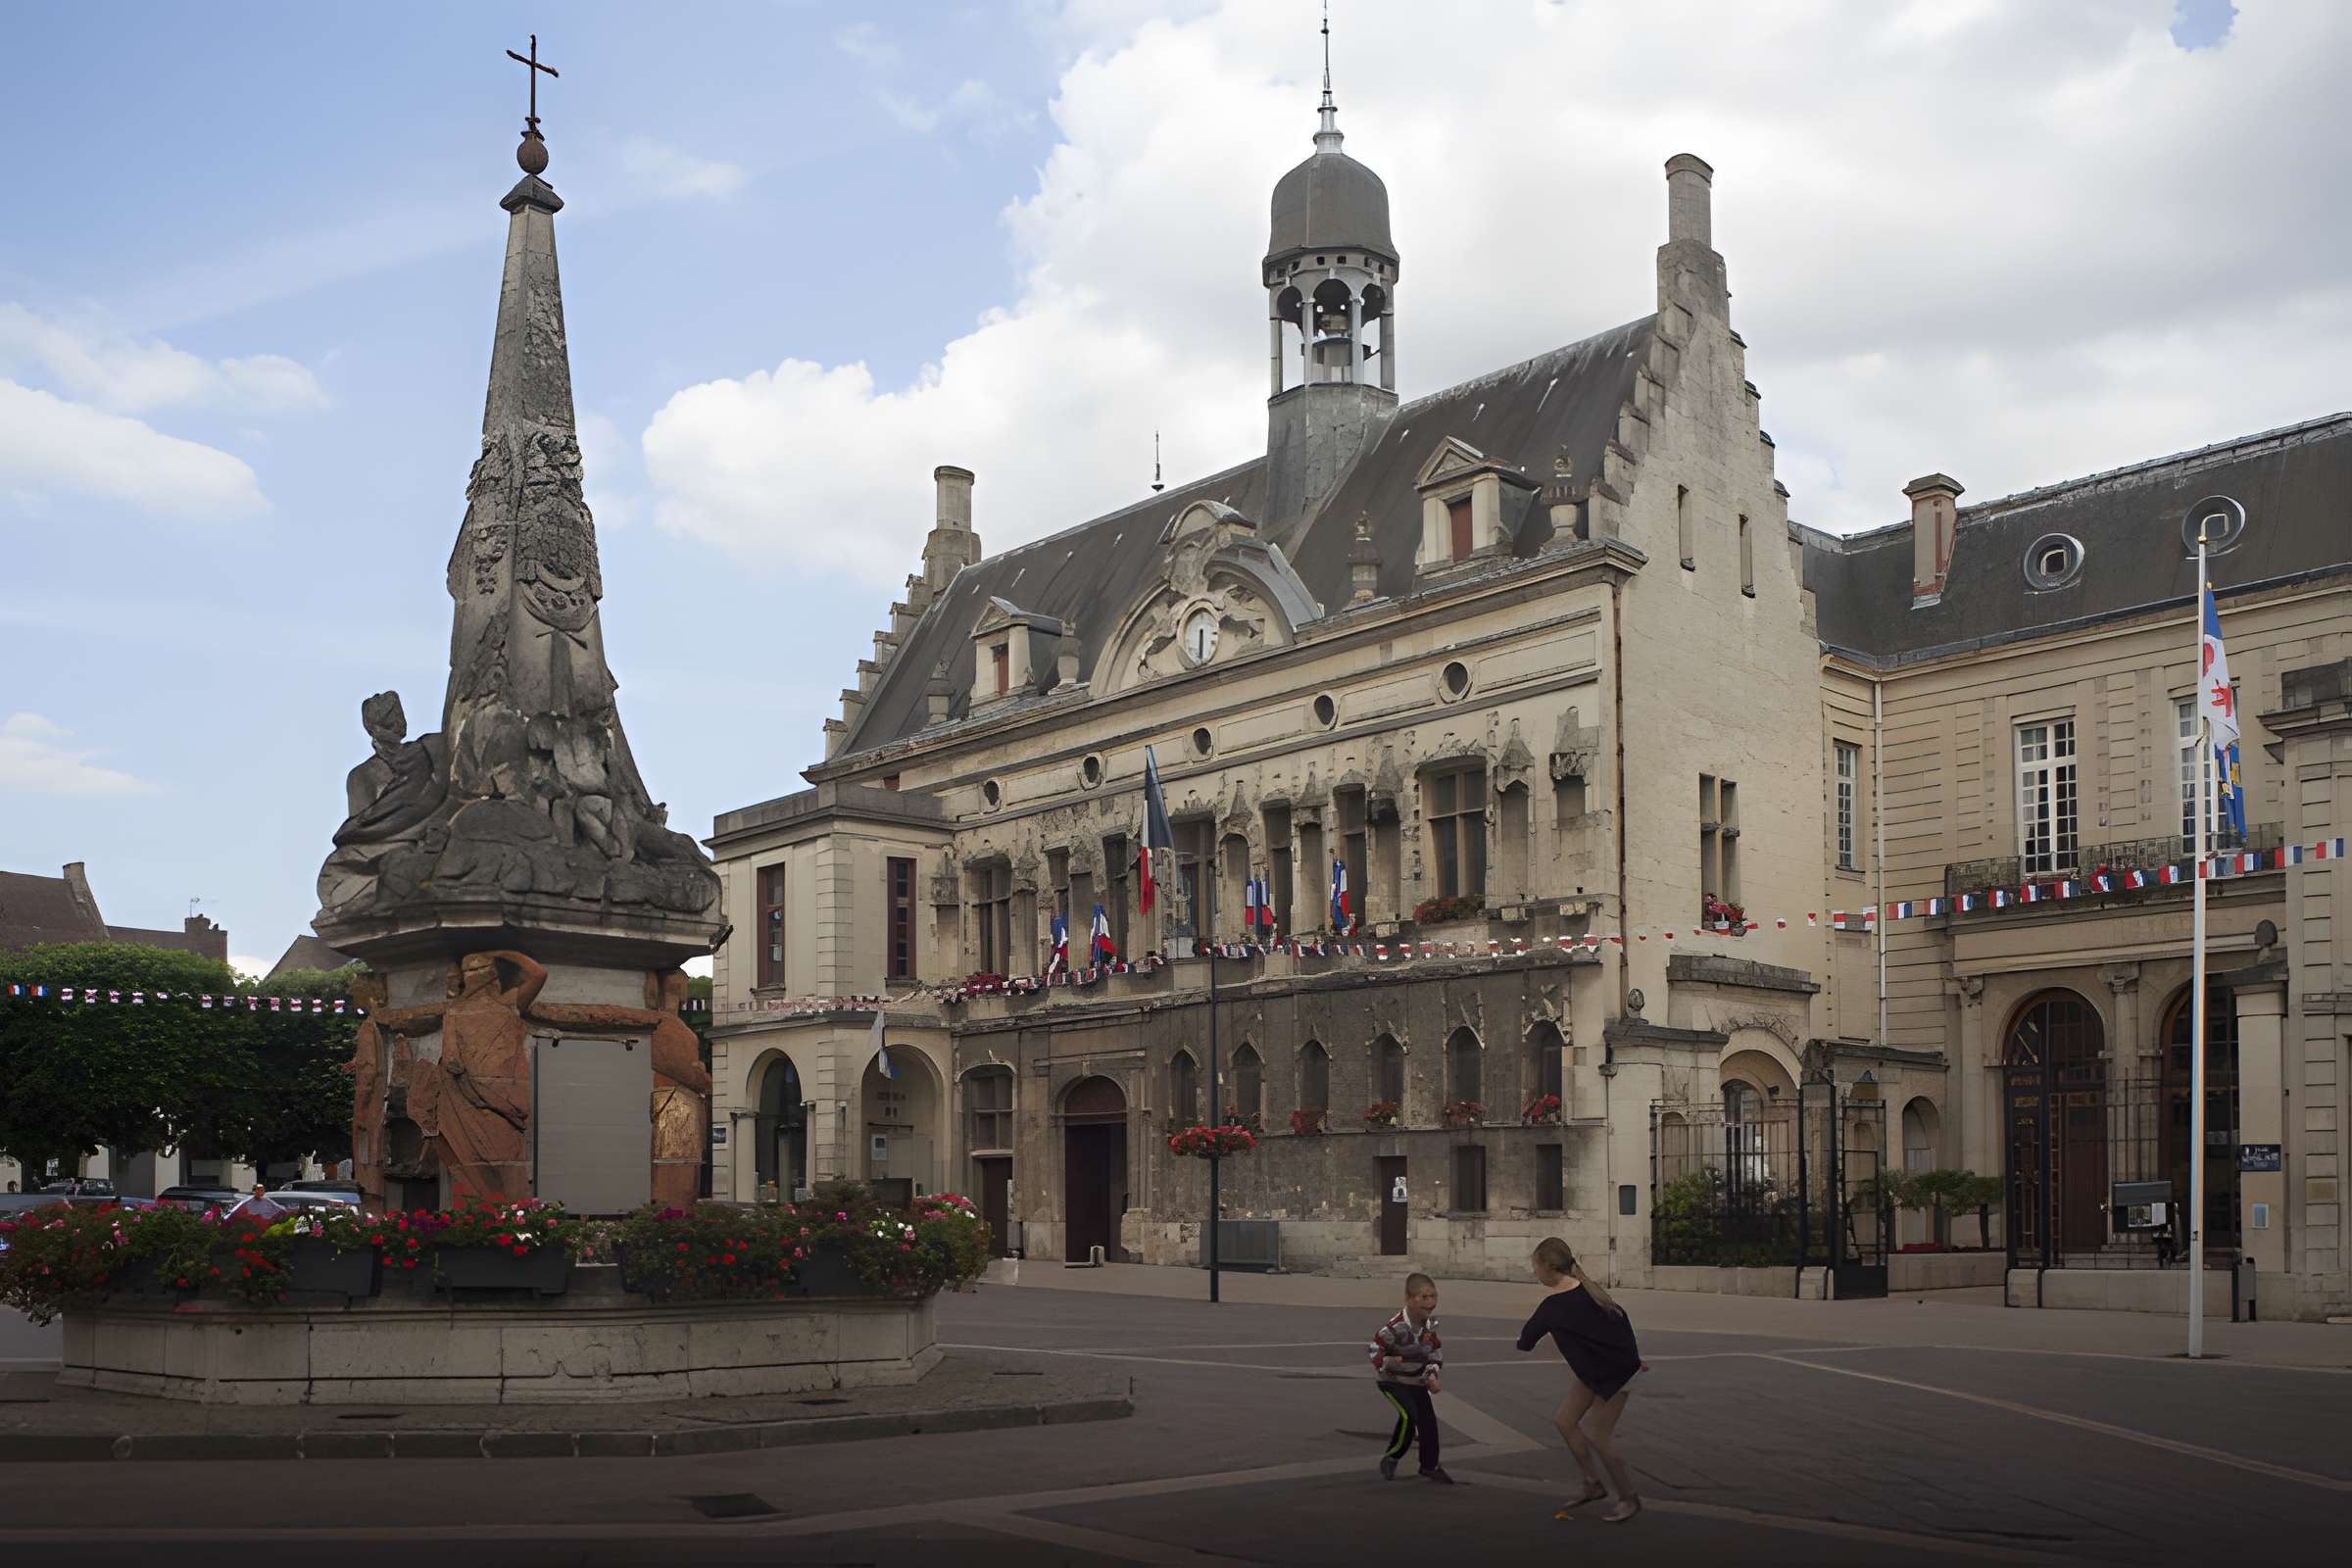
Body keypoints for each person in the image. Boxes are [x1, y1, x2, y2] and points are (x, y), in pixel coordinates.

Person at [1516, 1237, 1643, 1523]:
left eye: (1535, 1267)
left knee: (1597, 1435)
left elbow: (1525, 1342)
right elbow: (1621, 1322)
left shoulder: (1552, 1306)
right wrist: (1633, 1355)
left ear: (1548, 1268)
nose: (1534, 1272)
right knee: (1565, 1420)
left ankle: (1628, 1498)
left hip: (1616, 1374)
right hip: (1599, 1370)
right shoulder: (1590, 1291)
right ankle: (1592, 1483)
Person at [1368, 1271, 1451, 1483]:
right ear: (1408, 1298)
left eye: (1434, 1296)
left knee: (1428, 1423)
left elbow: (1434, 1352)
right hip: (1392, 1381)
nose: (1431, 1302)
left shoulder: (1430, 1326)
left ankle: (1429, 1466)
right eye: (1424, 1297)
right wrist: (1385, 1361)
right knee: (1408, 1415)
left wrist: (1432, 1374)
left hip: (1417, 1380)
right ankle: (1392, 1456)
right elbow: (1374, 1348)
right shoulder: (1395, 1327)